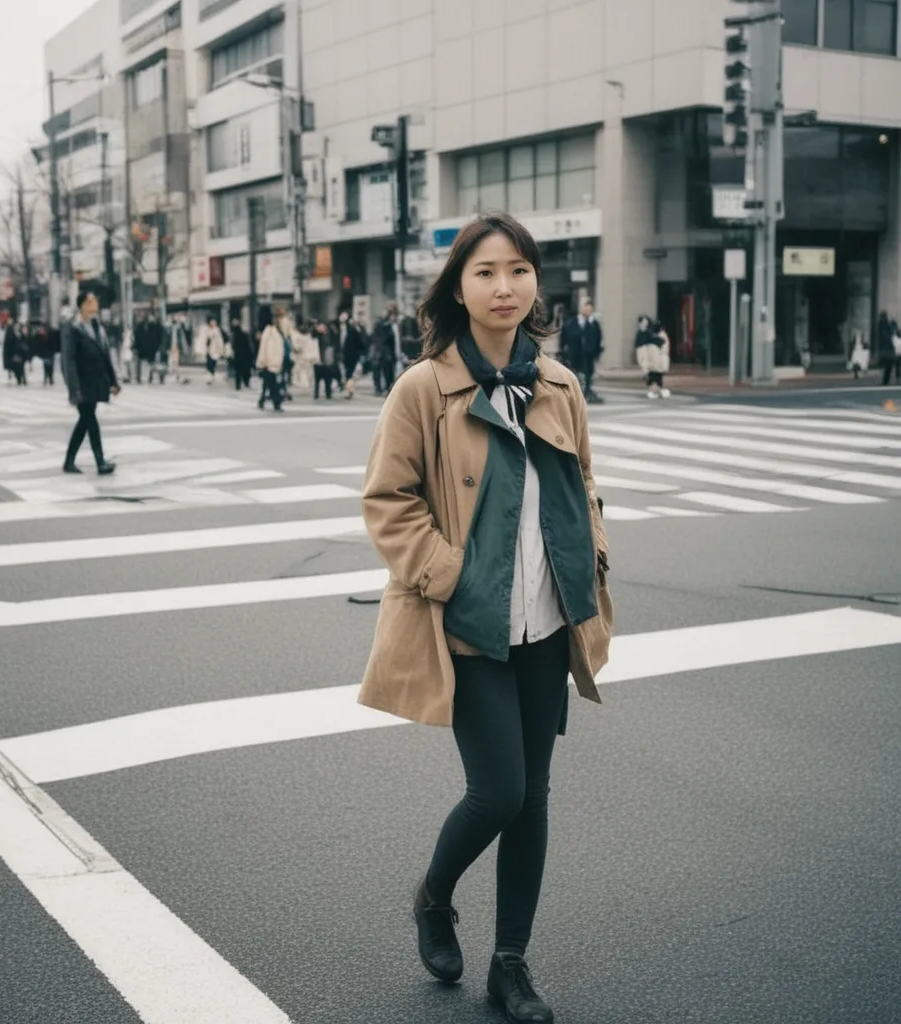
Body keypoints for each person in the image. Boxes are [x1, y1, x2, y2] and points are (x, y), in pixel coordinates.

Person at [359, 213, 612, 1024]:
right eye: (484, 272)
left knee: (533, 796)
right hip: (468, 621)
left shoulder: (561, 384)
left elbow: (587, 489)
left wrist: (593, 557)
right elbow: (387, 502)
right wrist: (450, 576)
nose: (504, 287)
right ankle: (435, 896)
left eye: (518, 271)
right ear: (458, 287)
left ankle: (511, 964)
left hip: (547, 616)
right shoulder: (425, 388)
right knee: (498, 790)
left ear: (536, 282)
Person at [60, 287, 119, 475]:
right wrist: (73, 387)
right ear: (82, 306)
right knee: (90, 421)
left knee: (85, 421)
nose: (94, 305)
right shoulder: (74, 329)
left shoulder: (97, 327)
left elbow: (105, 356)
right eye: (90, 302)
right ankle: (100, 462)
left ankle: (69, 461)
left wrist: (113, 381)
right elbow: (68, 361)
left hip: (95, 382)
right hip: (81, 384)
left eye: (95, 301)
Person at [561, 300, 604, 403]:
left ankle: (587, 392)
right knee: (576, 373)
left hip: (589, 354)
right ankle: (576, 393)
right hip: (575, 353)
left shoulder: (593, 323)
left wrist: (597, 352)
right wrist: (564, 350)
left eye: (589, 309)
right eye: (586, 308)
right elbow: (565, 336)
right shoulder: (572, 322)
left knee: (588, 374)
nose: (587, 311)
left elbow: (598, 338)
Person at [256, 309, 292, 412]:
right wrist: (262, 361)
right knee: (274, 385)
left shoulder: (283, 332)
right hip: (270, 362)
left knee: (269, 384)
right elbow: (264, 347)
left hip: (280, 361)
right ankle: (276, 404)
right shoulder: (269, 330)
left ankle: (263, 400)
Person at [634, 316, 671, 399]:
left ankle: (657, 390)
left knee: (655, 377)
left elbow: (663, 350)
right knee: (654, 377)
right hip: (653, 362)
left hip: (655, 362)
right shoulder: (646, 336)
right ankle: (657, 390)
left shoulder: (653, 336)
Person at [877, 310, 900, 386]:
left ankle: (885, 380)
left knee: (886, 366)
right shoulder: (887, 325)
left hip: (885, 349)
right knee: (889, 366)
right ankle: (886, 380)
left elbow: (882, 338)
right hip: (889, 349)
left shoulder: (882, 325)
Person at [230, 316, 253, 390]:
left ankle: (240, 384)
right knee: (241, 370)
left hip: (241, 354)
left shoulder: (238, 333)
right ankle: (241, 384)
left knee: (240, 370)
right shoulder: (236, 333)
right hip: (240, 354)